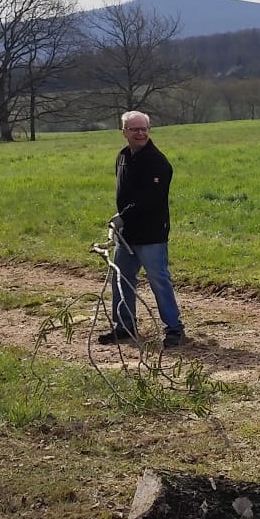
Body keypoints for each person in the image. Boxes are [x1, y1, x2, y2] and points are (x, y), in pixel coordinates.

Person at [102, 110, 186, 349]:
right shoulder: (123, 156)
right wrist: (122, 220)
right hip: (127, 234)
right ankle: (124, 326)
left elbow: (150, 198)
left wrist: (123, 216)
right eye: (134, 129)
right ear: (124, 132)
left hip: (151, 234)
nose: (140, 133)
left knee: (158, 279)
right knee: (121, 279)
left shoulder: (157, 162)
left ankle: (174, 329)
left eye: (143, 129)